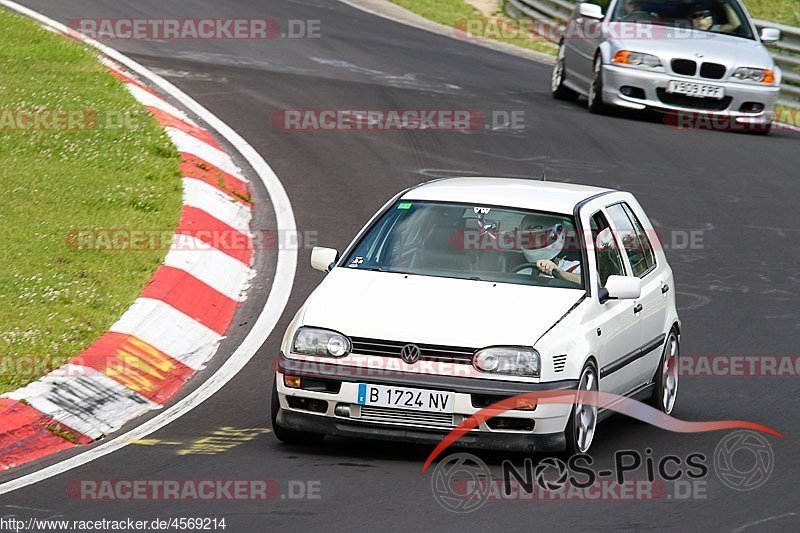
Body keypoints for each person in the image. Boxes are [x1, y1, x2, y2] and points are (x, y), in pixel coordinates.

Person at [518, 214, 582, 285]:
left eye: (541, 238)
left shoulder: (575, 267)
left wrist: (561, 273)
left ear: (558, 234)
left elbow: (591, 283)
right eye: (530, 239)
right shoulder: (522, 272)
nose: (535, 242)